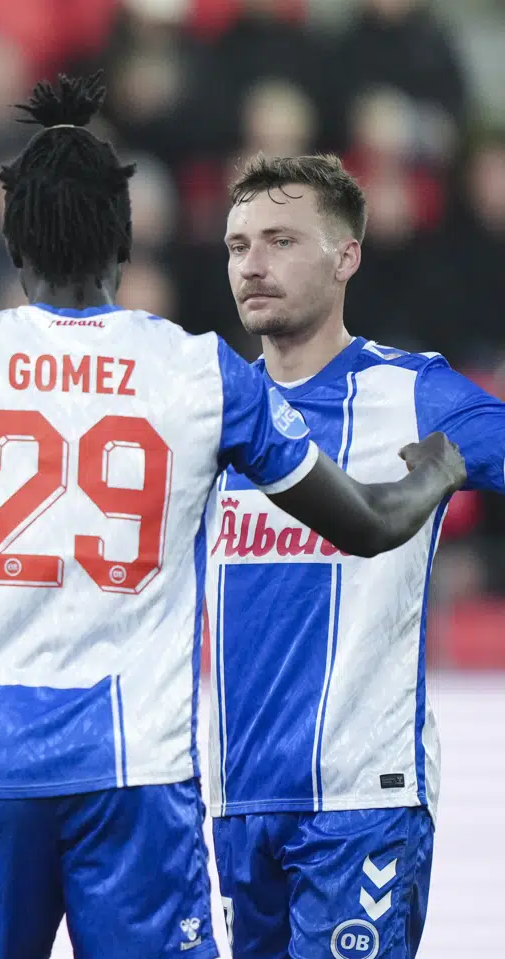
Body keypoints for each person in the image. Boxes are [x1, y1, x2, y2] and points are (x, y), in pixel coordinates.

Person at [0, 73, 466, 959]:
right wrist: (434, 473)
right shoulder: (200, 372)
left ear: (11, 239)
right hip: (140, 776)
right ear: (124, 237)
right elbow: (365, 522)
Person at [204, 154, 505, 959]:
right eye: (237, 246)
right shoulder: (209, 403)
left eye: (279, 240)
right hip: (234, 799)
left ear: (347, 256)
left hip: (363, 799)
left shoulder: (417, 393)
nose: (252, 265)